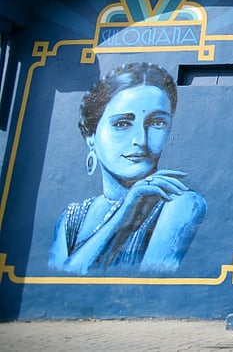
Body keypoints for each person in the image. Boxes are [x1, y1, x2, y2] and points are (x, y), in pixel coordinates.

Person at [49, 62, 206, 274]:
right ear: (91, 137)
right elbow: (63, 282)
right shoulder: (71, 218)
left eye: (157, 123)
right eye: (122, 124)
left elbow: (150, 287)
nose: (140, 140)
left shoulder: (181, 203)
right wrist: (126, 211)